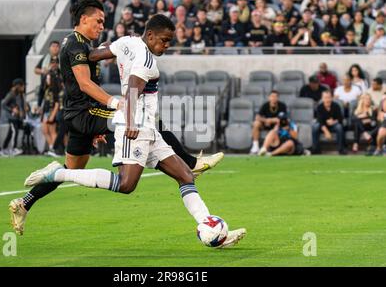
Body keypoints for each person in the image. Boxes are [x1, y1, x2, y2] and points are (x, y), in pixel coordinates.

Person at [23, 14, 246, 248]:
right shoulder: (146, 60)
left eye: (169, 41)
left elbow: (95, 54)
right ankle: (58, 174)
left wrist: (74, 52)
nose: (167, 46)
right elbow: (131, 90)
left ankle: (209, 227)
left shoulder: (127, 42)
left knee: (185, 175)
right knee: (126, 185)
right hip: (136, 126)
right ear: (150, 35)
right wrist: (129, 123)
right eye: (164, 40)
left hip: (149, 128)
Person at [0, 78, 26, 157]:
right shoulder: (11, 94)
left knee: (11, 133)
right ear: (18, 86)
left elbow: (20, 105)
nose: (23, 87)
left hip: (17, 117)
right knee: (14, 131)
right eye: (22, 85)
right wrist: (12, 110)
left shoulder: (20, 94)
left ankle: (3, 149)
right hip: (12, 117)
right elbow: (3, 104)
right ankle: (13, 148)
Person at [34, 41, 60, 109]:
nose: (55, 48)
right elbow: (36, 70)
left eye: (57, 46)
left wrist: (58, 67)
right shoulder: (45, 59)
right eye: (53, 46)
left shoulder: (61, 59)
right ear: (49, 48)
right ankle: (39, 106)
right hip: (46, 87)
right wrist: (44, 70)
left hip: (59, 87)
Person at [40, 72, 60, 157]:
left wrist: (53, 115)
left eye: (49, 78)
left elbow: (57, 103)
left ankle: (54, 149)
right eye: (46, 78)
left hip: (52, 111)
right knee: (44, 130)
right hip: (46, 111)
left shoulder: (55, 89)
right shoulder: (47, 89)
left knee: (52, 131)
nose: (47, 80)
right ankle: (51, 147)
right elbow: (45, 101)